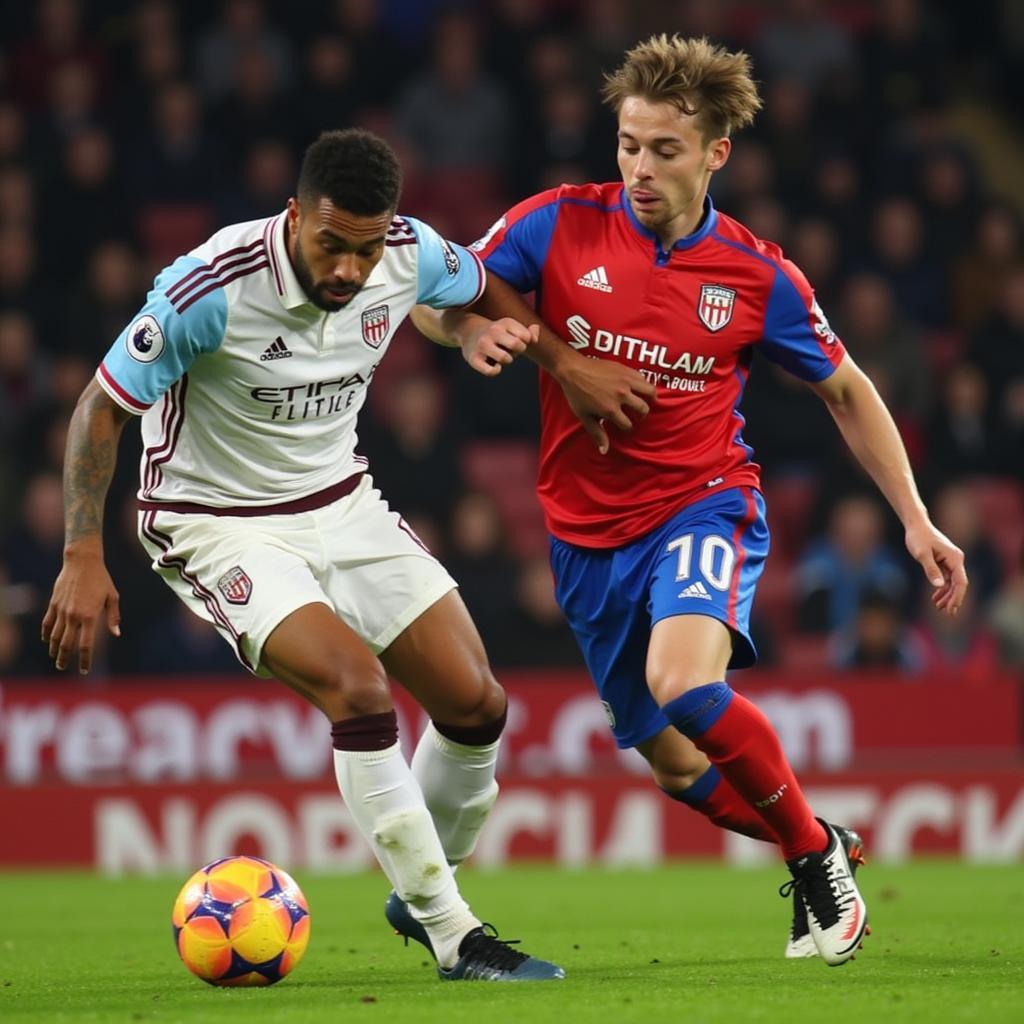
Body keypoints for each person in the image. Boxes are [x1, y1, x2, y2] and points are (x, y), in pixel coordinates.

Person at [413, 35, 969, 966]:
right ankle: (817, 837)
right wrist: (467, 331)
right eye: (628, 144)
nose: (639, 167)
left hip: (702, 504)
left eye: (664, 149)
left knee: (684, 683)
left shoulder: (758, 275)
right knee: (676, 765)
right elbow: (438, 295)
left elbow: (848, 389)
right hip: (584, 537)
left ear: (716, 153)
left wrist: (915, 519)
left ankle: (808, 857)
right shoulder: (555, 224)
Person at [40, 128, 562, 983]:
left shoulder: (405, 248)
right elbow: (99, 410)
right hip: (214, 518)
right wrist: (81, 554)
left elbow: (467, 291)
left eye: (365, 248)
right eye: (331, 245)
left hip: (340, 501)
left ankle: (418, 881)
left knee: (477, 707)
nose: (350, 270)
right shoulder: (209, 288)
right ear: (294, 216)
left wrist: (467, 332)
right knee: (358, 691)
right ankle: (454, 933)